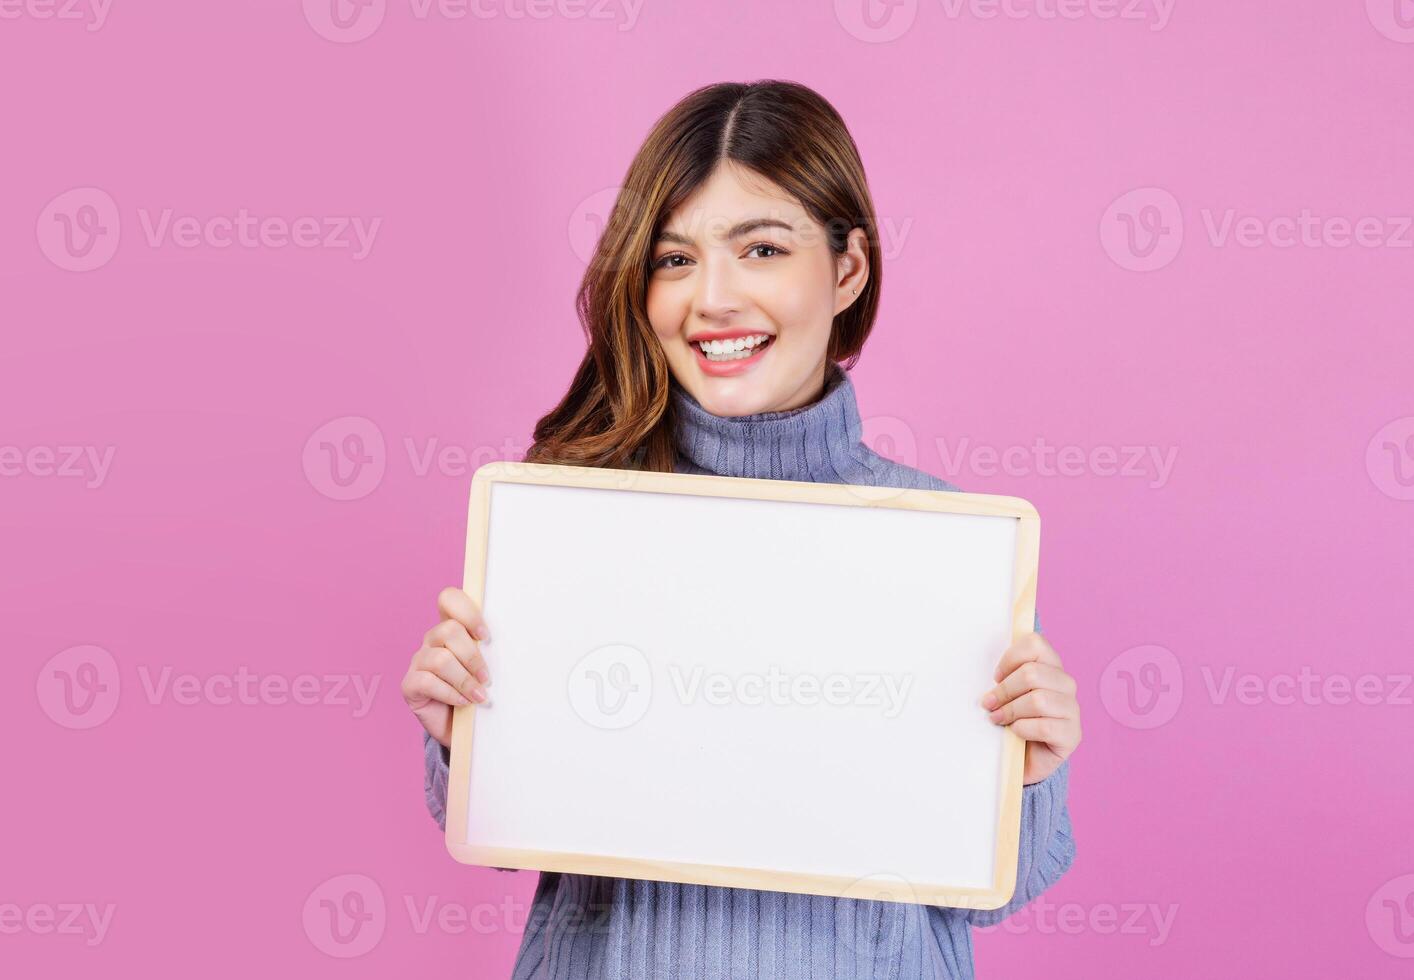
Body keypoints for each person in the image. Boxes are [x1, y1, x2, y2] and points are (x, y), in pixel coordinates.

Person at [401, 79, 1082, 980]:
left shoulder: (946, 549)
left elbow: (1003, 887)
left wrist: (1029, 769)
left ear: (848, 270)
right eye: (674, 260)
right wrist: (463, 730)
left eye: (760, 248)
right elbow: (505, 837)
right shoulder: (574, 522)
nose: (712, 299)